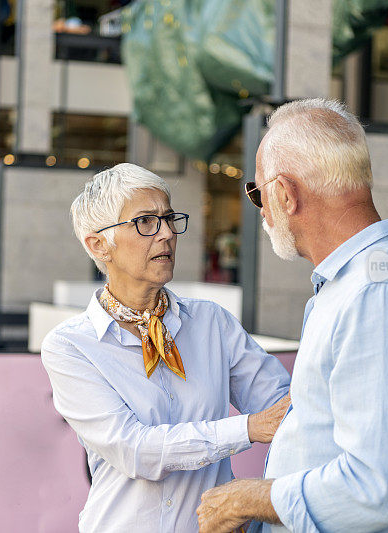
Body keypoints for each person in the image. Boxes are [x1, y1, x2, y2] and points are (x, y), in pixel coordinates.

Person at [197, 99, 388, 532]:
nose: (262, 210)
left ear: (285, 193)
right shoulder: (357, 283)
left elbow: (372, 489)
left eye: (257, 192)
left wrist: (248, 498)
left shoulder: (378, 292)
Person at [41, 163, 291, 532]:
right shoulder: (71, 347)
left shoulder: (211, 323)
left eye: (169, 218)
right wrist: (248, 428)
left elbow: (284, 410)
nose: (167, 234)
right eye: (145, 222)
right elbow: (134, 450)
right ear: (98, 244)